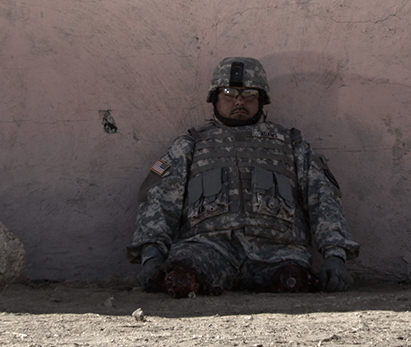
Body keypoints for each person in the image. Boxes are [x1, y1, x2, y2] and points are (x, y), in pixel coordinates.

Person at [128, 57, 359, 298]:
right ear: (214, 98)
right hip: (207, 250)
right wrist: (151, 257)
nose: (239, 101)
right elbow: (159, 201)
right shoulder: (190, 147)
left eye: (249, 93)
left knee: (295, 281)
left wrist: (335, 257)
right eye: (229, 93)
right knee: (180, 279)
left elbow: (323, 199)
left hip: (276, 253)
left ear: (261, 99)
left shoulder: (291, 146)